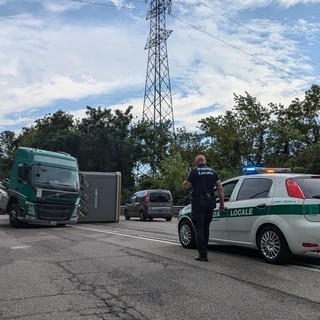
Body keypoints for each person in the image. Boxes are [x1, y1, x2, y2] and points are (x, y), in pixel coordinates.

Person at [183, 155, 225, 262]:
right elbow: (220, 188)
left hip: (198, 203)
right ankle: (204, 250)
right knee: (206, 228)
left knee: (199, 229)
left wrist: (187, 176)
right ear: (205, 161)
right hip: (210, 202)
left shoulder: (194, 172)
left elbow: (186, 186)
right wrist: (221, 204)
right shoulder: (213, 172)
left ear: (196, 162)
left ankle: (202, 255)